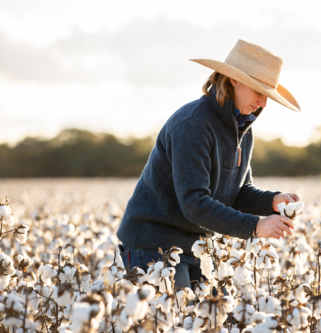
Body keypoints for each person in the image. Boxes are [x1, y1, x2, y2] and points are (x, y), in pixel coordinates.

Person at [116, 39, 302, 290]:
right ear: (234, 80)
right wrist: (255, 226)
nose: (264, 103)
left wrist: (272, 201)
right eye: (259, 92)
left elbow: (237, 192)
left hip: (194, 246)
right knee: (170, 325)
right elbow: (194, 203)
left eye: (268, 95)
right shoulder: (194, 124)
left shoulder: (242, 129)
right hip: (152, 245)